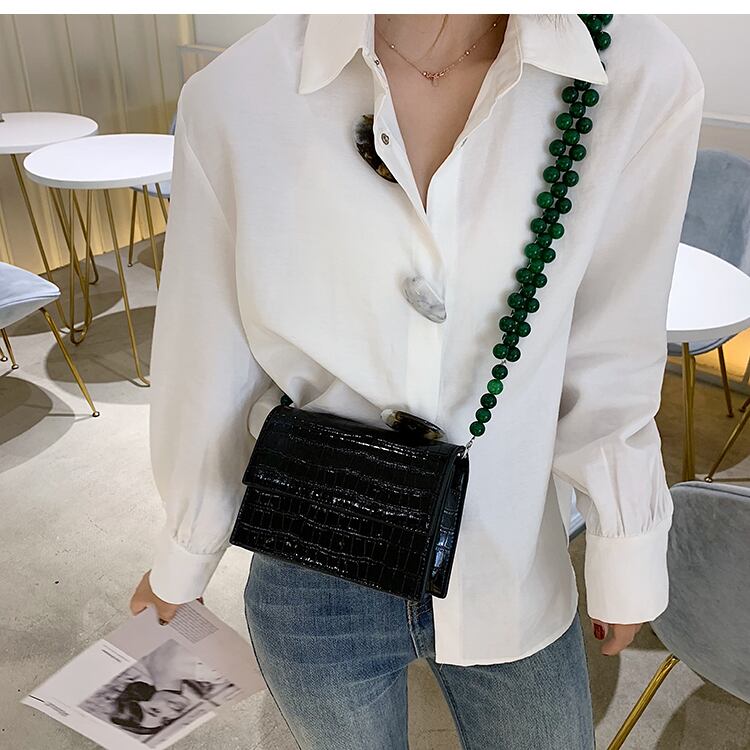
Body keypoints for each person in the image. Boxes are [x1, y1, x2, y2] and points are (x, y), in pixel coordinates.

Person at [130, 14, 704, 749]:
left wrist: (624, 540)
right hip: (313, 568)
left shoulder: (634, 73)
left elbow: (611, 345)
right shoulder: (239, 93)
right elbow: (208, 353)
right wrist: (185, 551)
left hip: (508, 559)